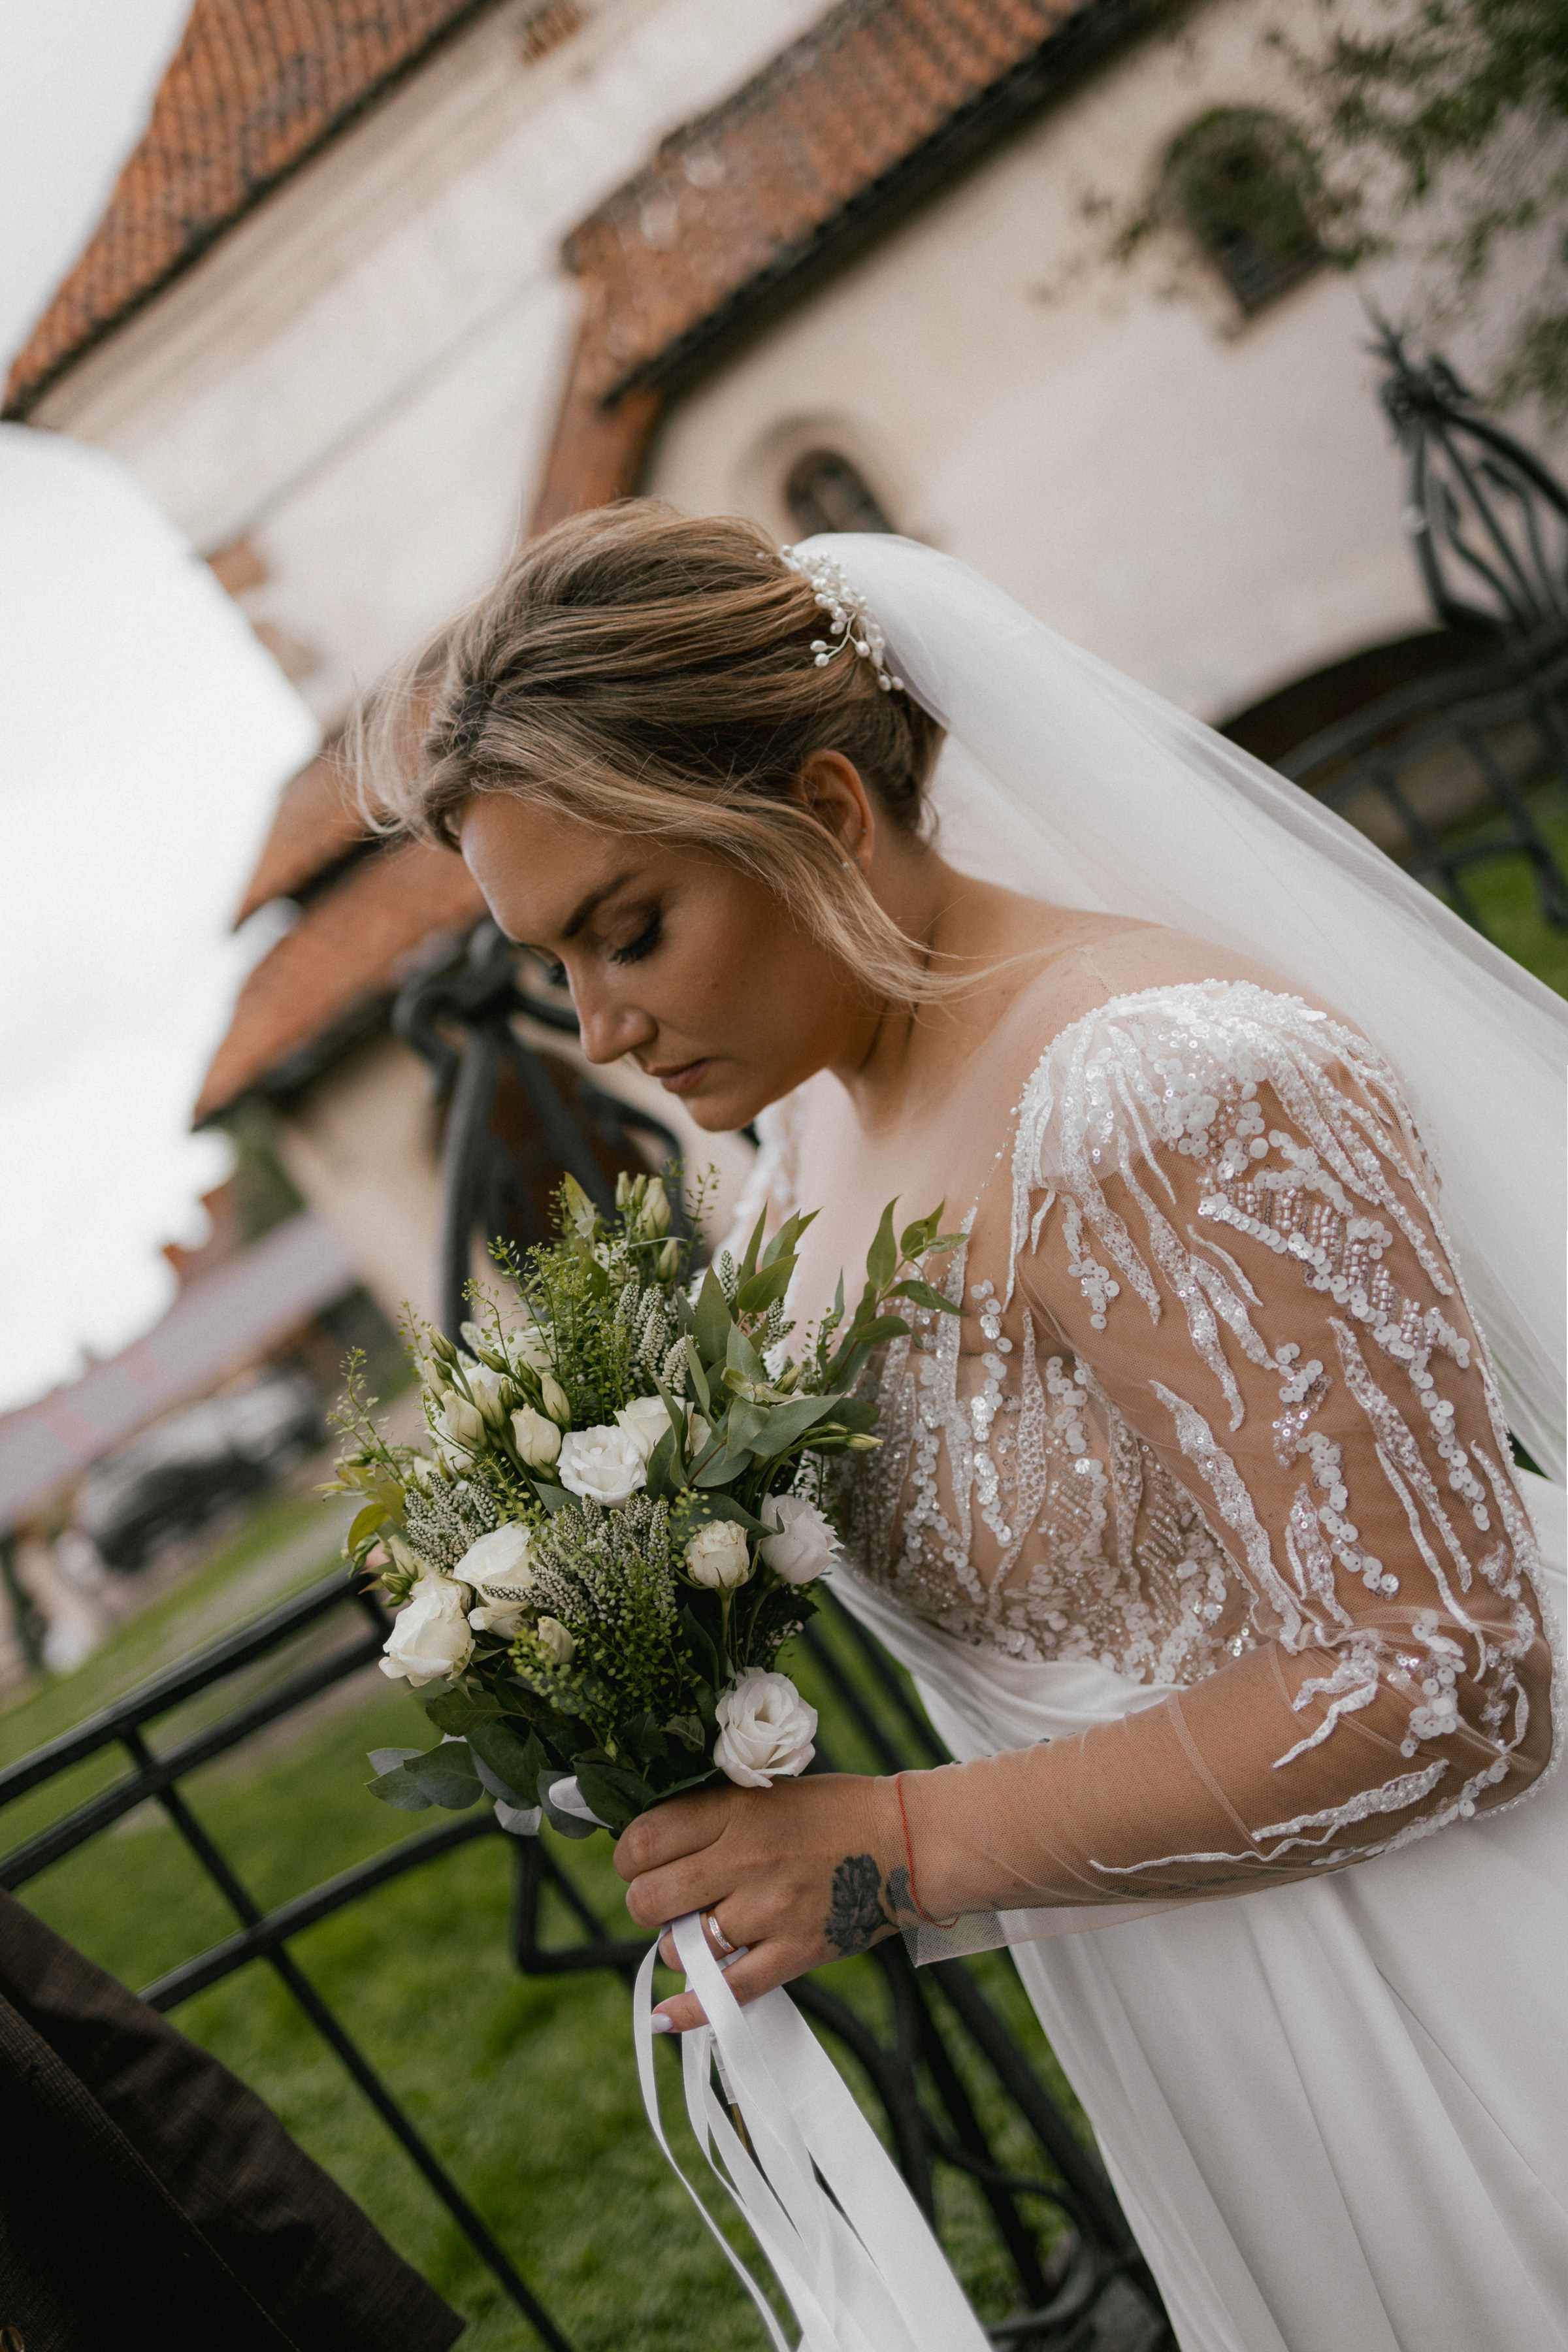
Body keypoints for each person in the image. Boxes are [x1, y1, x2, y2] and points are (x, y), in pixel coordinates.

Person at [365, 500, 1567, 2351]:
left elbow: (1454, 1677)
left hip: (1465, 1967)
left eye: (633, 930)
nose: (597, 1028)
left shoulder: (1162, 1088)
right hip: (1192, 1998)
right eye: (555, 964)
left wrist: (898, 1849)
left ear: (832, 817)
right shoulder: (798, 1161)